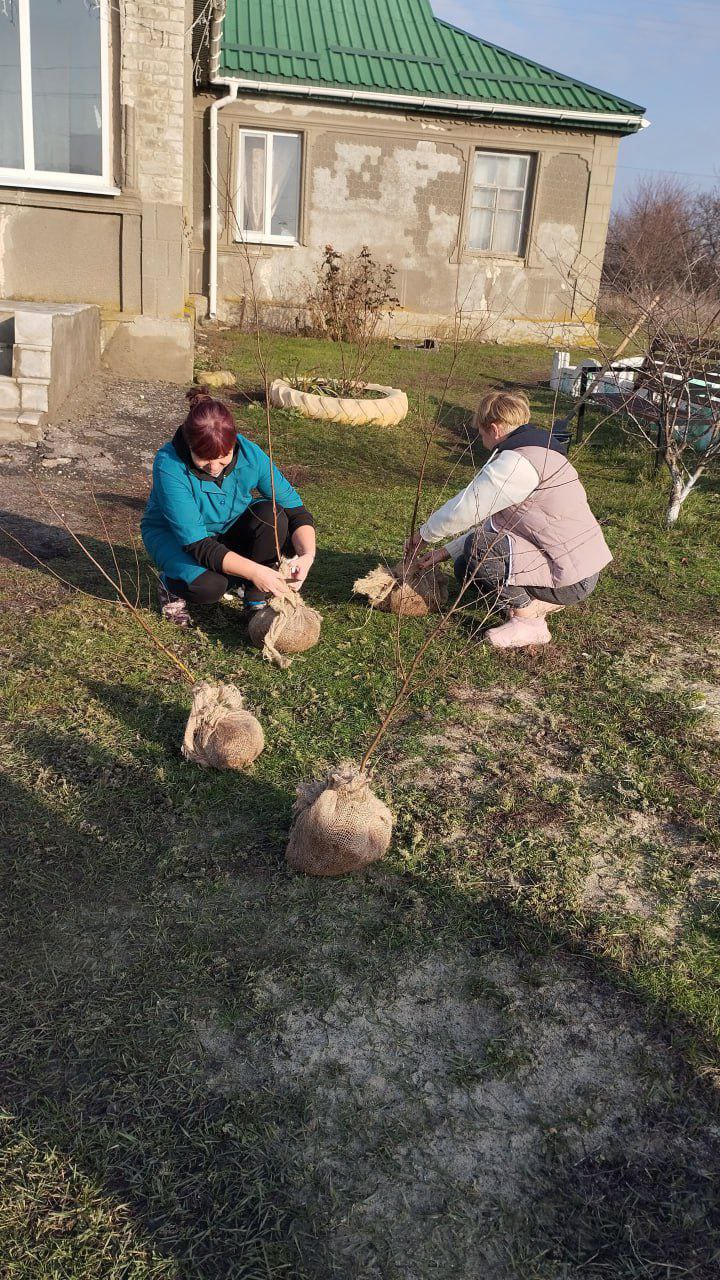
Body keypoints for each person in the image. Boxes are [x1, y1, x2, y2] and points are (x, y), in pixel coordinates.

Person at [405, 389, 612, 649]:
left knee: (479, 548)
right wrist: (445, 552)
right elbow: (499, 525)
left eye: (481, 433)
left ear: (493, 429)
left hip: (571, 579)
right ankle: (540, 603)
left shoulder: (516, 463)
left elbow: (466, 508)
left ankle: (529, 622)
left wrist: (424, 535)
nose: (482, 440)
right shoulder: (542, 453)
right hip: (578, 567)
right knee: (465, 566)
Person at [141, 387, 316, 627]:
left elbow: (297, 512)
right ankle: (170, 586)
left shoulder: (251, 454)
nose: (214, 468)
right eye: (204, 459)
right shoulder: (168, 465)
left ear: (234, 443)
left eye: (223, 458)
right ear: (188, 445)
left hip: (227, 526)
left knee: (272, 515)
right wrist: (255, 571)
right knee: (210, 586)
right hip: (178, 538)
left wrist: (307, 556)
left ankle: (255, 600)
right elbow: (198, 544)